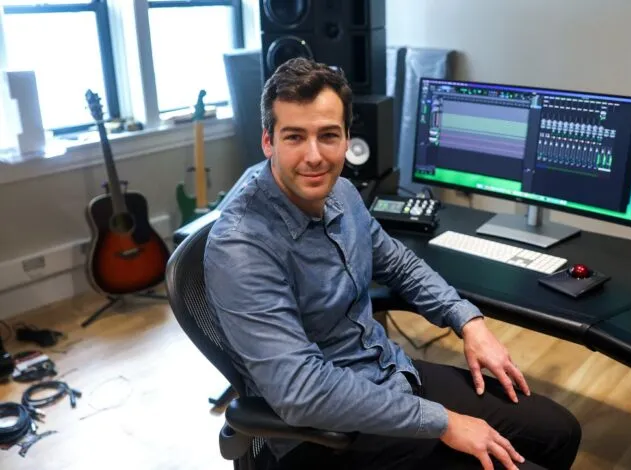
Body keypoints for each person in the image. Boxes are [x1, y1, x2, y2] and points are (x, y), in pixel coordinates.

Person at [203, 57, 581, 470]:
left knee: (558, 430)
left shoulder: (341, 192)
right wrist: (443, 422)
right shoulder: (241, 246)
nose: (314, 156)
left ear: (347, 138)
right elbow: (302, 391)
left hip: (388, 374)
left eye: (328, 135)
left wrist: (468, 322)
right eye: (295, 137)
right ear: (268, 142)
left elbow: (399, 264)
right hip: (325, 434)